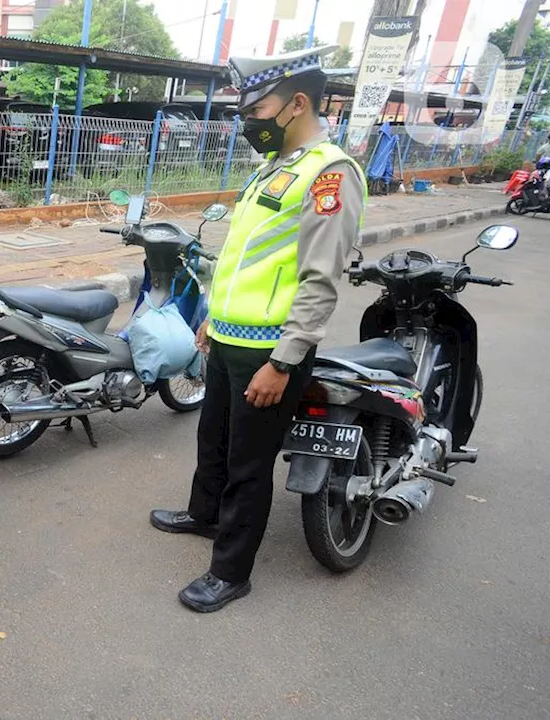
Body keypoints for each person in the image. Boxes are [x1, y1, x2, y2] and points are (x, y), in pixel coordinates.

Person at [149, 45, 366, 613]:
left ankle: (231, 571)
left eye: (257, 108)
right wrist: (211, 325)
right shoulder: (275, 170)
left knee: (249, 461)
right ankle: (203, 515)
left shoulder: (329, 176)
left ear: (297, 103)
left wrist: (285, 361)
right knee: (213, 440)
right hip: (228, 340)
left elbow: (319, 282)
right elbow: (244, 261)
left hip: (271, 351)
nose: (249, 120)